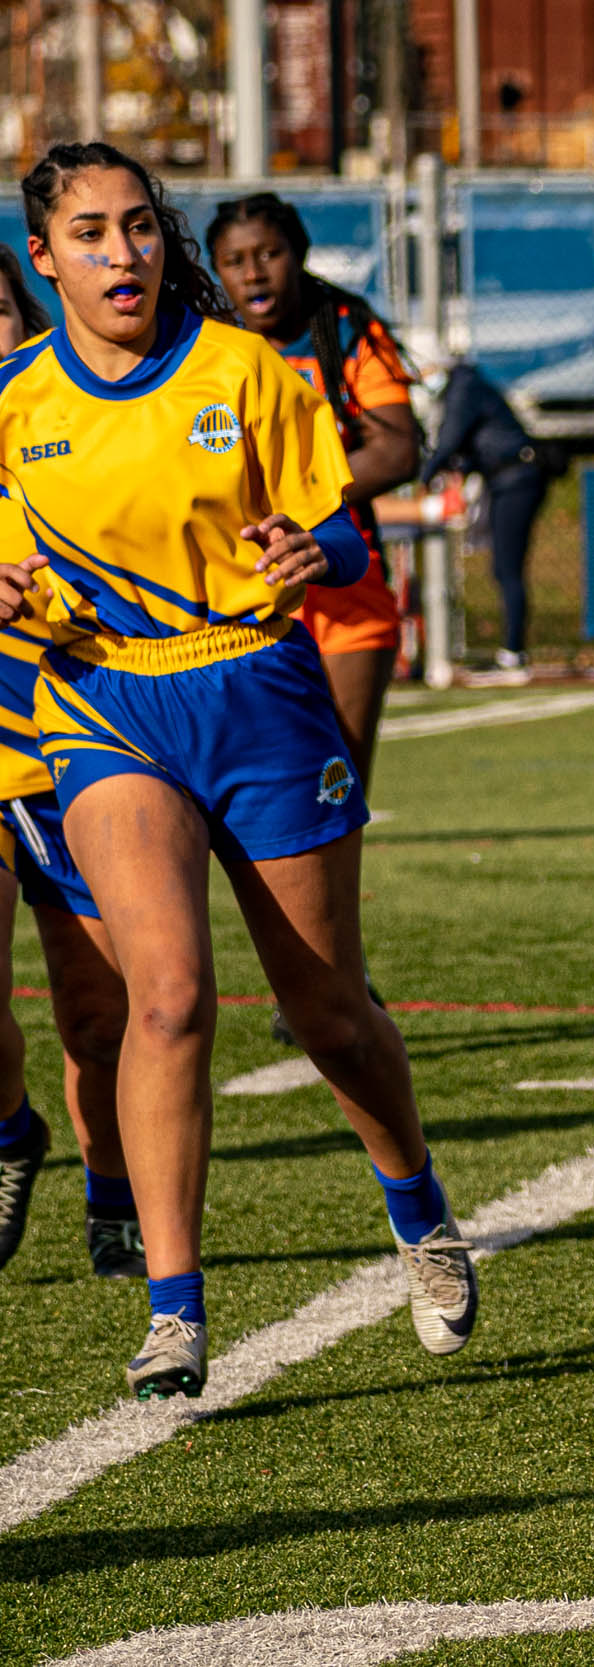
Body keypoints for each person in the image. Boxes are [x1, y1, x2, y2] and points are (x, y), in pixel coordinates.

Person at [0, 143, 477, 1398]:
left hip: (260, 692)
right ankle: (173, 1307)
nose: (124, 253)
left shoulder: (245, 369)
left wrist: (303, 551)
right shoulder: (15, 403)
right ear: (43, 255)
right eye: (92, 233)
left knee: (328, 1011)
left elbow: (327, 512)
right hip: (104, 703)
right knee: (166, 998)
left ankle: (418, 1206)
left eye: (142, 227)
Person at [0, 246, 137, 1283]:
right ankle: (10, 1131)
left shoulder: (72, 428)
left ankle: (115, 1188)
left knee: (96, 1014)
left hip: (61, 748)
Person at [205, 192, 418, 792]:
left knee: (338, 782)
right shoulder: (204, 347)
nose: (253, 272)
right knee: (260, 783)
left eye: (270, 253)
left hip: (344, 575)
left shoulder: (344, 328)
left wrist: (298, 504)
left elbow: (398, 449)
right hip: (241, 585)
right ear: (216, 270)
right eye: (234, 260)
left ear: (299, 255)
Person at [418, 357, 556, 676]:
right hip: (506, 480)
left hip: (516, 479)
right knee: (503, 567)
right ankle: (511, 649)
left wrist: (424, 477)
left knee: (508, 567)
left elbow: (450, 441)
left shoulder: (464, 388)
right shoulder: (466, 387)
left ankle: (514, 652)